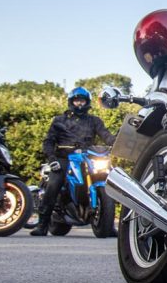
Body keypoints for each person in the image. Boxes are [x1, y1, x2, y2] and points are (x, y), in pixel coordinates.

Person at [30, 87, 116, 236]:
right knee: (54, 184)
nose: (79, 103)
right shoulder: (59, 120)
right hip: (64, 158)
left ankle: (107, 225)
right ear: (71, 102)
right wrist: (52, 159)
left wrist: (118, 141)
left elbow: (106, 136)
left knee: (110, 179)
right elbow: (48, 141)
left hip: (87, 157)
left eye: (82, 100)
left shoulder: (94, 121)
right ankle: (42, 225)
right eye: (76, 100)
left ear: (87, 102)